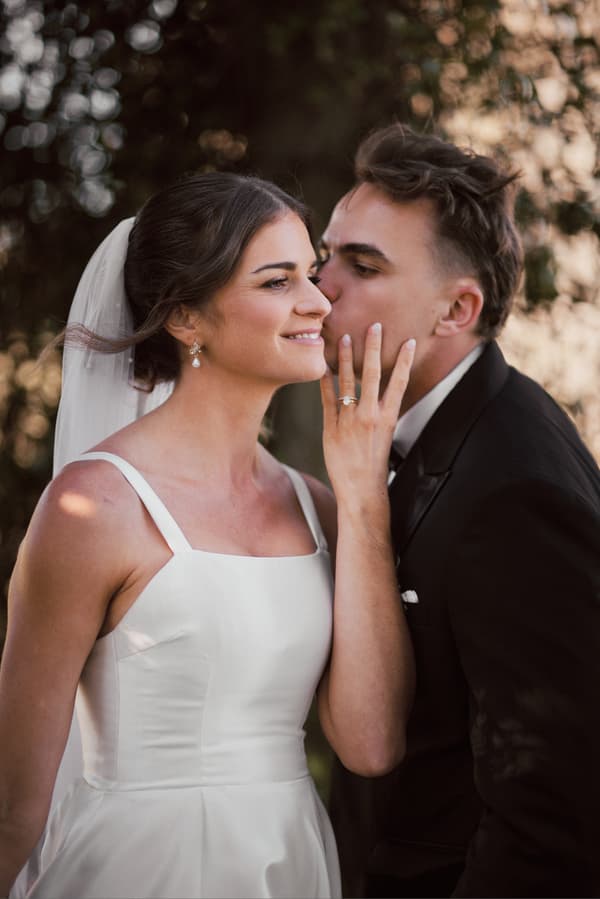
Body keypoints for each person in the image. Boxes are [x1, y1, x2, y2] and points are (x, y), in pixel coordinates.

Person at [0, 171, 417, 899]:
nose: (318, 302)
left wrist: (361, 501)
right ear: (187, 317)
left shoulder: (317, 505)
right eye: (277, 281)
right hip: (139, 868)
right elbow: (12, 807)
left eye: (309, 275)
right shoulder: (94, 507)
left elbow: (371, 742)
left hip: (288, 861)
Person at [318, 124, 600, 897]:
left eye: (362, 265)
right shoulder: (410, 433)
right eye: (325, 255)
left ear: (455, 310)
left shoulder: (517, 488)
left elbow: (552, 816)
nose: (320, 287)